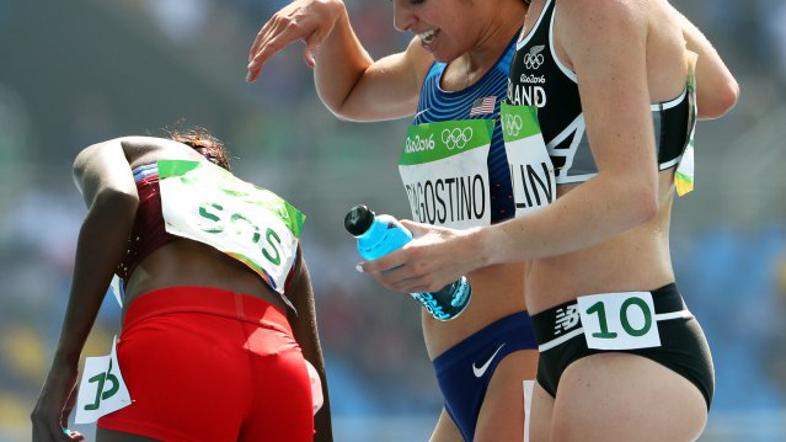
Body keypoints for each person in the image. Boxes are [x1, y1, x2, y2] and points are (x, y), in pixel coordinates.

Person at [353, 0, 739, 440]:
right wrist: (452, 238)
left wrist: (469, 248)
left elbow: (632, 193)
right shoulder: (545, 15)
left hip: (619, 338)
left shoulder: (591, 9)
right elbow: (717, 92)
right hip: (562, 341)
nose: (400, 19)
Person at [247, 1, 543, 441]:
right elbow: (352, 91)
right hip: (458, 366)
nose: (401, 21)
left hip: (526, 348)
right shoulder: (433, 57)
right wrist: (333, 19)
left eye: (415, 1)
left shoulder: (550, 49)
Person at [31, 129, 332, 442]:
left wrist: (63, 367)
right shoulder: (272, 213)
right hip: (282, 371)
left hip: (175, 352)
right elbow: (313, 364)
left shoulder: (129, 151)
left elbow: (117, 198)